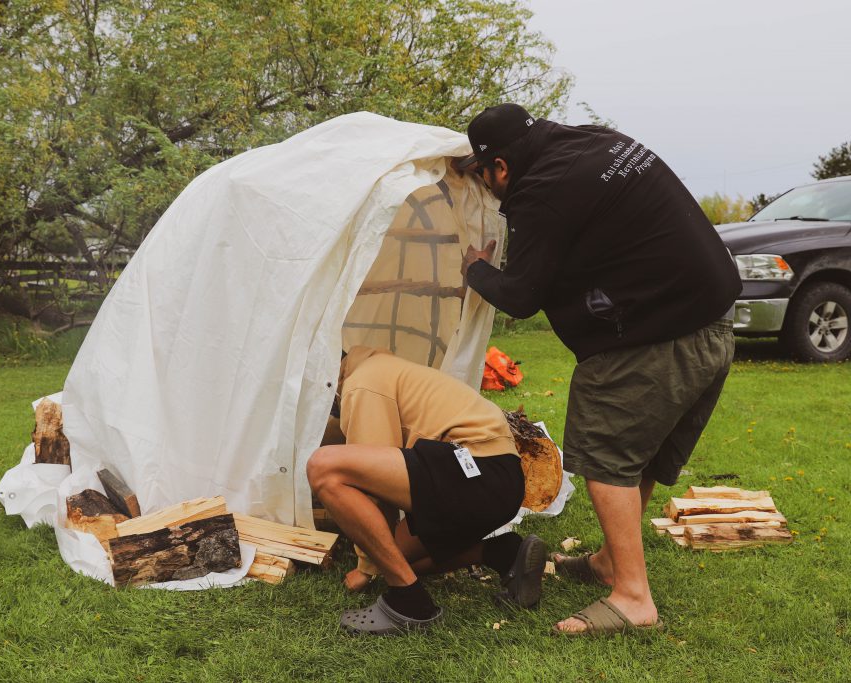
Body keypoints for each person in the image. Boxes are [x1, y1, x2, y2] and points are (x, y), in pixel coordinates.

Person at [457, 104, 741, 636]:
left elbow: (520, 296)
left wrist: (475, 268)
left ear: (500, 166)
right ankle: (614, 561)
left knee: (607, 454)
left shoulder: (539, 190)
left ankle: (633, 598)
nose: (491, 189)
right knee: (645, 452)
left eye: (486, 175)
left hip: (659, 334)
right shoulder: (592, 142)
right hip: (715, 323)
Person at [307, 345, 546, 636]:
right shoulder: (379, 368)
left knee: (323, 466)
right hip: (499, 480)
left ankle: (409, 603)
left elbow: (371, 486)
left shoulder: (362, 384)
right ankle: (502, 552)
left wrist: (365, 568)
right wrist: (378, 557)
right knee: (393, 554)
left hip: (477, 470)